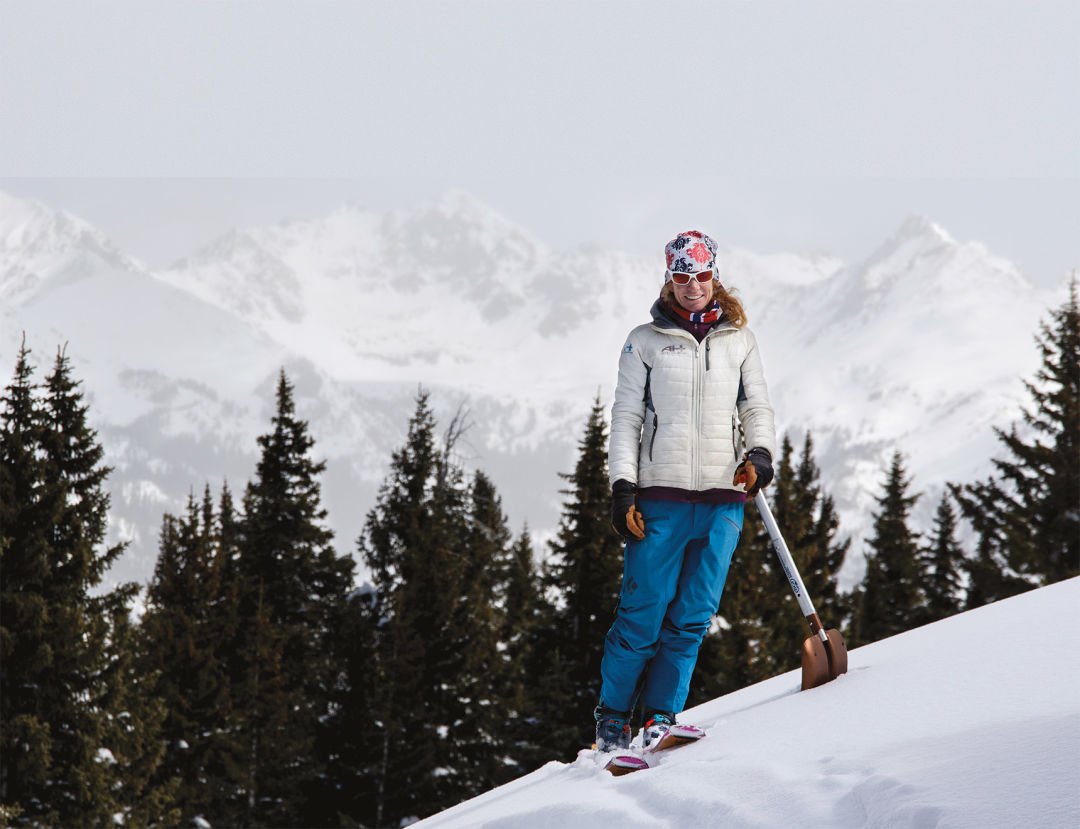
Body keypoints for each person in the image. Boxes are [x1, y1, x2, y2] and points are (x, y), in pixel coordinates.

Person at [595, 229, 778, 752]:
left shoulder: (738, 340)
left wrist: (760, 455)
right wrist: (623, 488)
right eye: (681, 276)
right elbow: (626, 417)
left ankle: (661, 716)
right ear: (669, 278)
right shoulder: (644, 341)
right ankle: (612, 719)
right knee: (643, 613)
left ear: (714, 276)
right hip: (660, 499)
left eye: (700, 275)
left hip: (724, 498)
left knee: (694, 614)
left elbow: (756, 407)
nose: (691, 285)